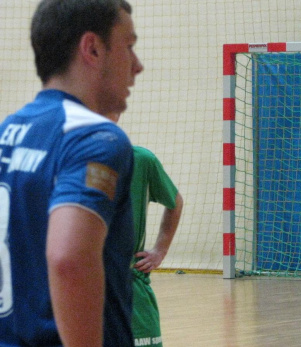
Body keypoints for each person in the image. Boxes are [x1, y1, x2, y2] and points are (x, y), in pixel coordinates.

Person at [0, 0, 143, 346]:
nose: (138, 66)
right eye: (129, 46)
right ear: (92, 48)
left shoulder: (7, 132)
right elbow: (69, 258)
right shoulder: (96, 138)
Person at [128, 145, 183, 347]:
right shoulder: (62, 160)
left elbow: (175, 202)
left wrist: (160, 249)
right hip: (79, 288)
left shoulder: (141, 160)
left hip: (130, 286)